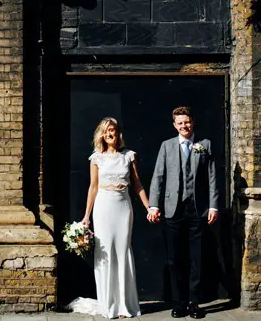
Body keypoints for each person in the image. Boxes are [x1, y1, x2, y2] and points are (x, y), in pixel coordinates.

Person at [71, 117, 151, 318]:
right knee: (105, 253)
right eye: (106, 131)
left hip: (123, 206)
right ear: (102, 135)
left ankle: (124, 305)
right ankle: (109, 304)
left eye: (113, 130)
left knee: (123, 251)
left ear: (118, 133)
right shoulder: (96, 158)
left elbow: (137, 184)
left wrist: (149, 207)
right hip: (103, 206)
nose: (110, 134)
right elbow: (93, 187)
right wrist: (86, 216)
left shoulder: (128, 156)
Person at [147, 107, 219, 319]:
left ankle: (195, 304)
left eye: (186, 122)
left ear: (192, 122)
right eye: (180, 123)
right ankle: (179, 303)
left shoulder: (204, 145)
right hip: (173, 209)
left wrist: (213, 206)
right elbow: (158, 177)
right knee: (175, 259)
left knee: (197, 258)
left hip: (197, 210)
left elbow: (213, 177)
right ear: (174, 125)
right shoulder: (167, 146)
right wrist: (154, 205)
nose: (184, 126)